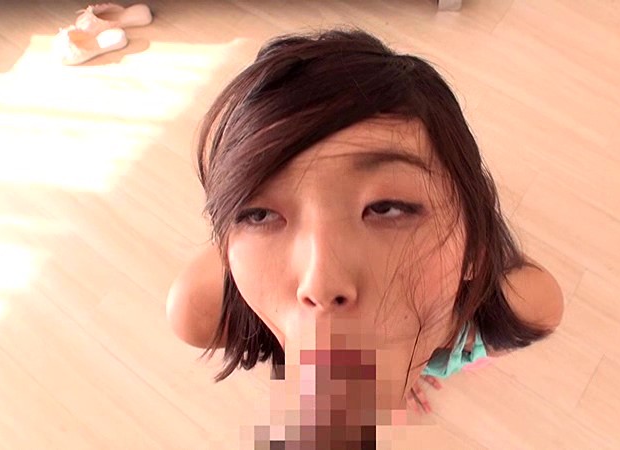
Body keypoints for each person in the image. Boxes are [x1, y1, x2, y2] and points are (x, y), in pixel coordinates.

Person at [166, 27, 564, 447]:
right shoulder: (201, 311)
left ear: (475, 249)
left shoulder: (525, 305)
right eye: (259, 214)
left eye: (388, 207)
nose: (320, 284)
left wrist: (423, 354)